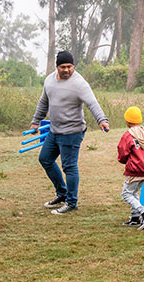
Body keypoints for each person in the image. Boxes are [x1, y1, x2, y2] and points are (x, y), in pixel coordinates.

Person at [30, 50, 109, 215]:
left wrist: (102, 120)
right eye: (63, 67)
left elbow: (92, 103)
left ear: (73, 66)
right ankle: (62, 194)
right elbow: (43, 102)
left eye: (70, 66)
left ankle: (71, 202)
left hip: (72, 131)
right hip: (54, 130)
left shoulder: (79, 84)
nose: (66, 70)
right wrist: (35, 121)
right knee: (45, 159)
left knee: (69, 166)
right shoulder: (49, 81)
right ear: (57, 66)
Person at [117, 106, 144, 230]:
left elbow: (122, 152)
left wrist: (124, 162)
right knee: (133, 192)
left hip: (134, 169)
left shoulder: (128, 136)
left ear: (127, 121)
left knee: (126, 194)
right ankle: (135, 218)